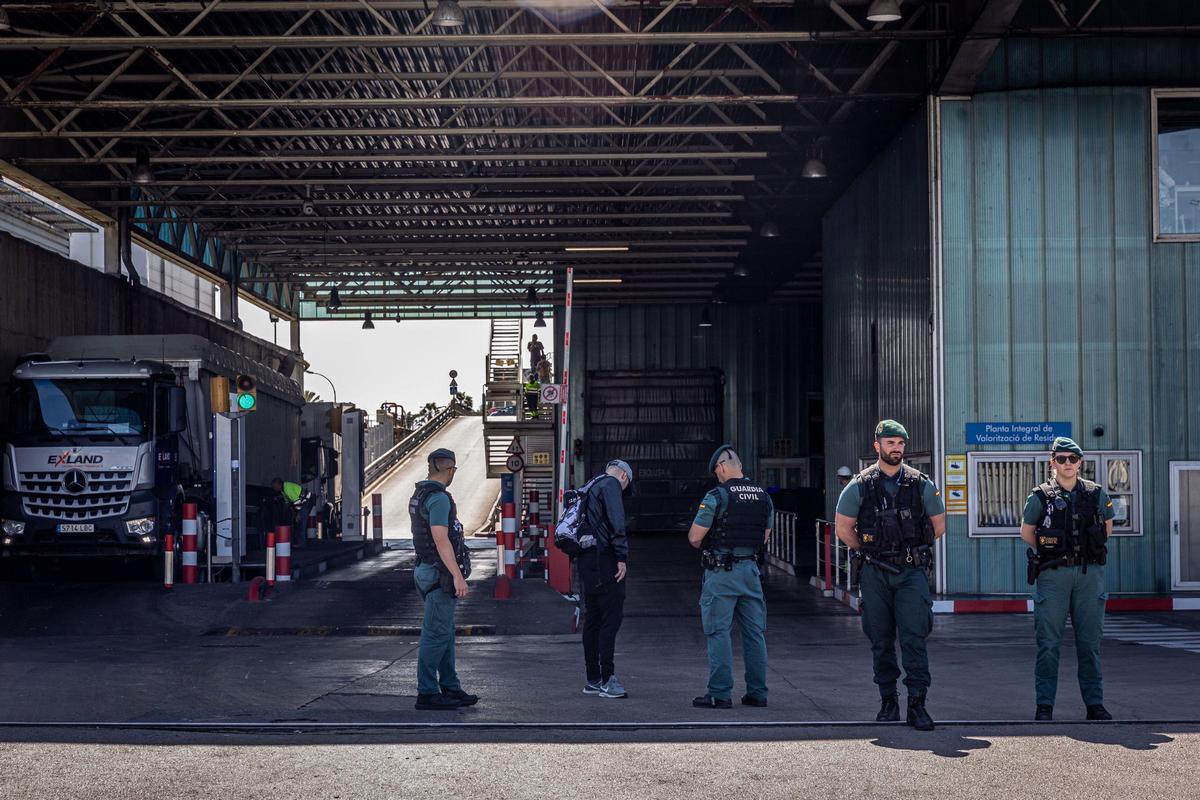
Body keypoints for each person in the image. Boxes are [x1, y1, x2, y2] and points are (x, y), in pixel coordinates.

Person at [834, 420, 946, 730]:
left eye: (900, 443)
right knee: (880, 640)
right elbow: (843, 527)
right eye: (890, 443)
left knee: (914, 638)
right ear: (877, 446)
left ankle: (917, 704)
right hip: (875, 572)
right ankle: (888, 701)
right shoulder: (860, 485)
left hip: (911, 573)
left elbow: (939, 525)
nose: (895, 448)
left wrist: (909, 550)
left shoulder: (920, 483)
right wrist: (869, 553)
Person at [1020, 437, 1115, 722]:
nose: (1067, 464)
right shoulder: (1040, 496)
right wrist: (1053, 551)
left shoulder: (1096, 493)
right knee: (1048, 643)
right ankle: (1044, 706)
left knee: (1090, 643)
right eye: (1061, 459)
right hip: (1054, 576)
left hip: (1089, 576)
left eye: (1072, 459)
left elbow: (1108, 528)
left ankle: (1095, 704)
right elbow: (1027, 532)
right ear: (1053, 462)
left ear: (1080, 463)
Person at [688, 445, 772, 709]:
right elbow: (765, 537)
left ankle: (719, 693)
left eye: (716, 472)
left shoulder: (717, 496)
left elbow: (694, 537)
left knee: (718, 631)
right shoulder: (763, 497)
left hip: (722, 573)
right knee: (754, 633)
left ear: (722, 466)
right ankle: (758, 693)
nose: (717, 477)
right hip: (751, 572)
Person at [409, 448, 478, 711]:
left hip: (427, 569)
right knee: (436, 634)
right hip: (439, 574)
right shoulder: (438, 499)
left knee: (444, 633)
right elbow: (441, 538)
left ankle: (450, 686)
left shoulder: (420, 493)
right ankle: (427, 692)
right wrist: (457, 575)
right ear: (450, 470)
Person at [578, 459, 632, 699]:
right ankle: (609, 679)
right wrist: (621, 555)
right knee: (611, 617)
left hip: (587, 559)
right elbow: (616, 521)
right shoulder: (611, 485)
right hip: (604, 558)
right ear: (623, 477)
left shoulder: (590, 485)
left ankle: (593, 679)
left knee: (593, 619)